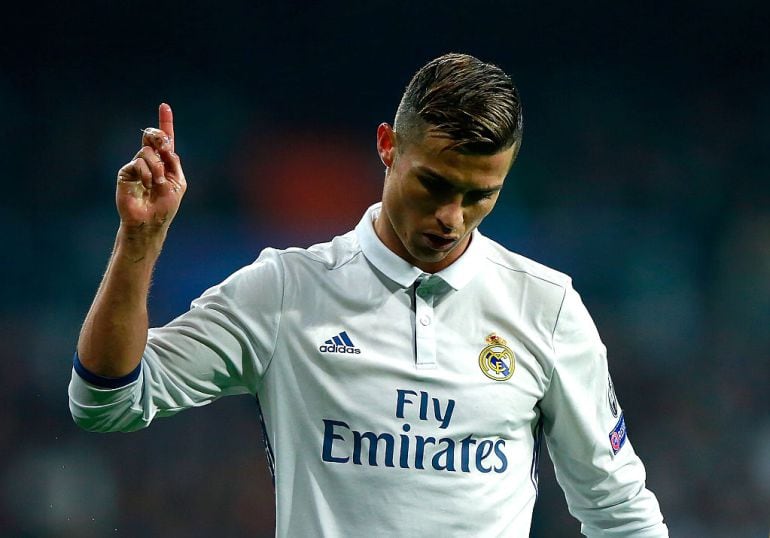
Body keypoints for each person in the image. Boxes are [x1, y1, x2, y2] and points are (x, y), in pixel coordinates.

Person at [69, 53, 668, 537]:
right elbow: (106, 400)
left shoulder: (547, 308)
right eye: (433, 184)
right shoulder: (286, 291)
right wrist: (141, 240)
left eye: (480, 195)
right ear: (387, 146)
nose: (451, 218)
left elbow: (617, 508)